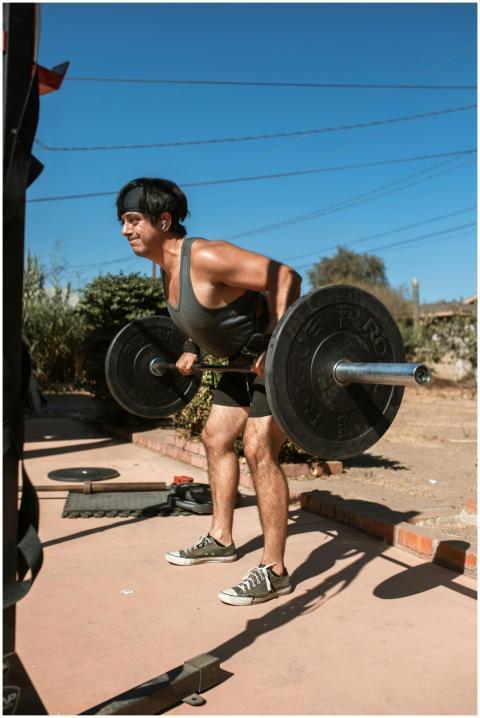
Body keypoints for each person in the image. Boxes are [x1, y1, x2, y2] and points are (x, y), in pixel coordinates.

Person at [117, 177, 302, 606]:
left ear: (164, 221)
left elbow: (286, 277)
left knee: (259, 449)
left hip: (271, 362)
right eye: (123, 222)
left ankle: (274, 570)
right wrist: (187, 347)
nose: (125, 230)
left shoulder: (203, 255)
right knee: (216, 438)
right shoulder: (167, 272)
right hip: (237, 364)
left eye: (132, 220)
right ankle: (221, 539)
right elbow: (202, 319)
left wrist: (272, 343)